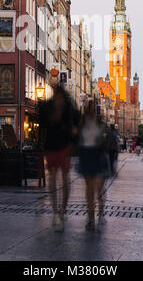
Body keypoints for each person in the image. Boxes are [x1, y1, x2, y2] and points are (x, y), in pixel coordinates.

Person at [38, 85, 79, 232]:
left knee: (65, 178)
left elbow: (75, 122)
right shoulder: (48, 106)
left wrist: (72, 139)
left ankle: (62, 210)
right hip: (51, 145)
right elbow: (41, 122)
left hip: (64, 145)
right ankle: (56, 211)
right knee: (53, 178)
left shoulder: (68, 107)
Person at [77, 100, 109, 231]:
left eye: (93, 108)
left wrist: (101, 140)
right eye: (89, 107)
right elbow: (78, 139)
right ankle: (91, 218)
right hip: (86, 154)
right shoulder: (82, 123)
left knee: (99, 187)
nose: (92, 110)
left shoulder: (101, 123)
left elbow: (106, 140)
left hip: (98, 155)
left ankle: (101, 212)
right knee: (89, 188)